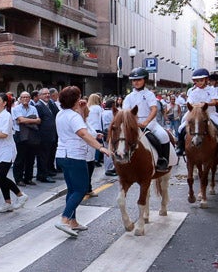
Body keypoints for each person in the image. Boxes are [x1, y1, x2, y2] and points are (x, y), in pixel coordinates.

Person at [55, 86, 111, 238]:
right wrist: (101, 148)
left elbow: (79, 124)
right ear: (74, 99)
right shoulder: (73, 117)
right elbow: (83, 133)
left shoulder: (61, 114)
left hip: (62, 155)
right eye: (79, 97)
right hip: (75, 156)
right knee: (81, 189)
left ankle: (72, 221)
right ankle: (64, 219)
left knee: (72, 189)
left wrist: (80, 110)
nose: (81, 99)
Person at [123, 68, 172, 171]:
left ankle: (162, 160)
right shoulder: (128, 97)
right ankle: (118, 161)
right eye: (134, 80)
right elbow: (126, 112)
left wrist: (145, 123)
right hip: (133, 123)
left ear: (144, 80)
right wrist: (134, 122)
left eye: (139, 80)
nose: (136, 82)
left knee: (163, 136)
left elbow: (154, 110)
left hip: (149, 122)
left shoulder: (149, 94)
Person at [179, 68, 218, 158]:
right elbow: (189, 103)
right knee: (180, 128)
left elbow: (215, 102)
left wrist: (206, 104)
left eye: (201, 80)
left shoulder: (212, 89)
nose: (199, 83)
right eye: (197, 81)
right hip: (194, 113)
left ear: (206, 80)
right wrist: (196, 106)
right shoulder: (193, 92)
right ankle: (181, 147)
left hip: (210, 113)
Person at [11, 91, 40, 186]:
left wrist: (26, 120)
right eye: (23, 97)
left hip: (31, 134)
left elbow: (38, 120)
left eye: (27, 97)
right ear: (20, 98)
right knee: (20, 157)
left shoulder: (33, 108)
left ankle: (28, 178)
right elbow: (20, 120)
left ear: (30, 98)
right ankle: (18, 179)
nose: (25, 99)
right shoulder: (16, 109)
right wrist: (32, 120)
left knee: (31, 157)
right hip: (19, 134)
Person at [33, 88, 59, 183]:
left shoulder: (50, 104)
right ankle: (42, 175)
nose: (47, 95)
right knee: (43, 156)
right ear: (39, 96)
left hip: (50, 135)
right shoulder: (39, 106)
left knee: (48, 155)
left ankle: (46, 171)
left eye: (48, 94)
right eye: (44, 94)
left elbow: (57, 113)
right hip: (43, 136)